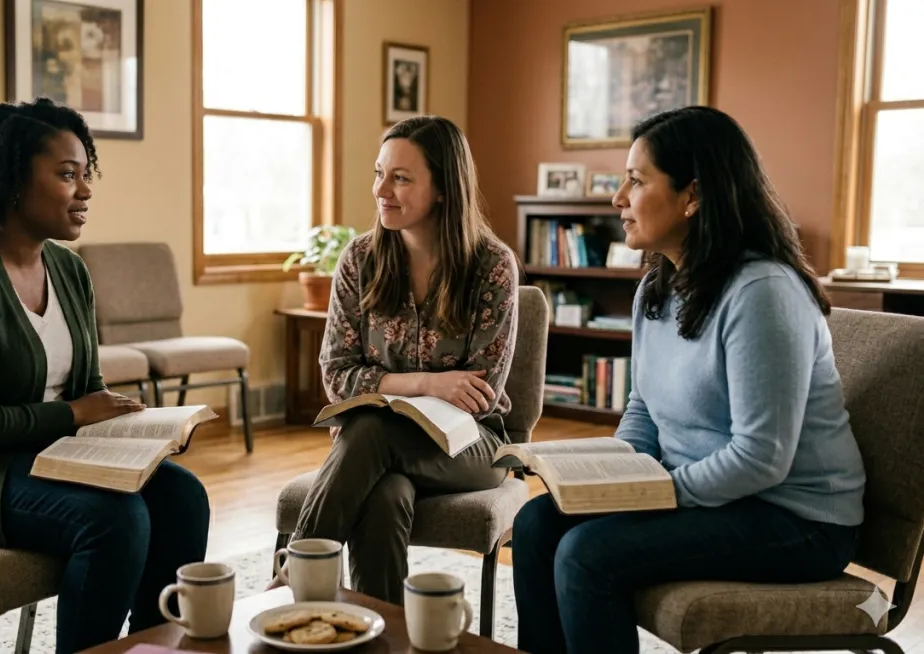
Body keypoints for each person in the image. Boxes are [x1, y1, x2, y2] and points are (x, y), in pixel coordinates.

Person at [511, 106, 866, 654]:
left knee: (587, 554)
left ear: (693, 196)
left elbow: (761, 458)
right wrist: (610, 478)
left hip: (797, 519)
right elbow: (643, 407)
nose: (618, 198)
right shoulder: (657, 288)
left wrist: (651, 494)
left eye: (636, 181)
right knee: (537, 522)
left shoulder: (762, 293)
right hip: (714, 497)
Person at [0, 98, 210, 654]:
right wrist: (74, 414)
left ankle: (148, 647)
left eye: (85, 174)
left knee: (183, 496)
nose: (85, 191)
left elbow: (87, 391)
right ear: (10, 179)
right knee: (114, 518)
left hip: (47, 457)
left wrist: (138, 432)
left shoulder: (68, 269)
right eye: (66, 174)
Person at [286, 115, 520, 604]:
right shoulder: (360, 259)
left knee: (372, 429)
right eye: (379, 173)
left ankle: (294, 573)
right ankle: (383, 631)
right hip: (373, 447)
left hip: (472, 444)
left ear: (443, 189)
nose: (381, 190)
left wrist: (385, 390)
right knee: (384, 493)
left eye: (401, 178)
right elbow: (337, 376)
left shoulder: (491, 265)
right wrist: (428, 384)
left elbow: (479, 396)